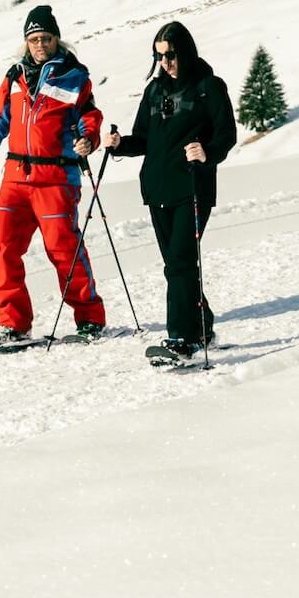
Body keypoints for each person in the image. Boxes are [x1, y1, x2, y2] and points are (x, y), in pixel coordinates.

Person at [0, 5, 106, 342]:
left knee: (63, 249)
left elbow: (89, 118)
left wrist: (88, 140)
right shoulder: (14, 77)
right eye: (34, 39)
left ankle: (90, 318)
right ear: (26, 42)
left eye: (46, 38)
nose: (40, 45)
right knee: (1, 244)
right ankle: (13, 323)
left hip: (56, 178)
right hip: (15, 178)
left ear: (56, 39)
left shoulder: (74, 76)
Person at [103, 20, 236, 357]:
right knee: (177, 266)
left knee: (180, 263)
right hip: (157, 190)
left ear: (186, 52)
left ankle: (182, 339)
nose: (165, 62)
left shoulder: (208, 86)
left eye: (171, 55)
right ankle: (202, 327)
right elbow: (143, 138)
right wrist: (120, 144)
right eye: (159, 56)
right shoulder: (154, 91)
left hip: (193, 187)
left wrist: (206, 153)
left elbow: (226, 134)